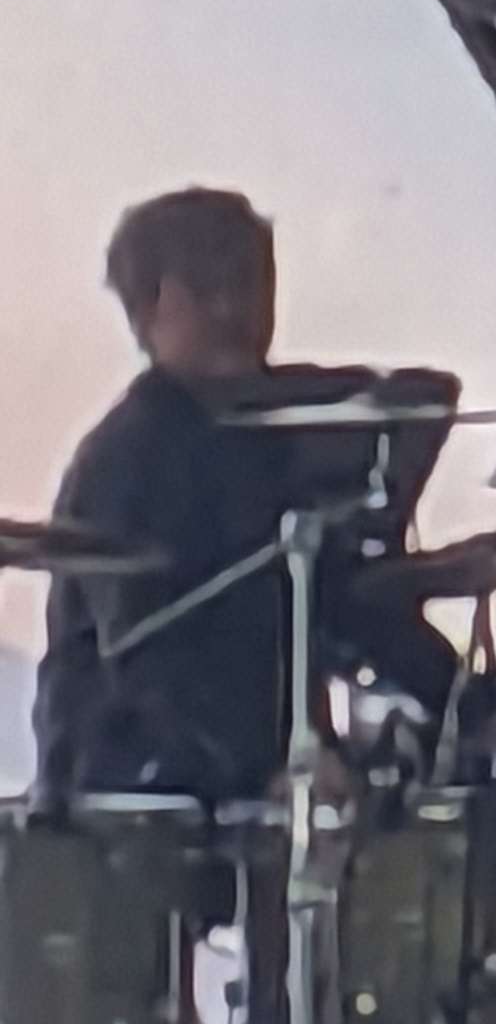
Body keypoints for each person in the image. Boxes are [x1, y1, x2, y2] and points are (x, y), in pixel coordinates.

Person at [33, 188, 458, 812]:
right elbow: (149, 665)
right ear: (151, 306)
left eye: (254, 282)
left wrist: (462, 703)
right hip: (138, 799)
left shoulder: (270, 438)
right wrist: (263, 772)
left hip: (266, 787)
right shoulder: (127, 458)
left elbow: (347, 603)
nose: (239, 308)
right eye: (209, 287)